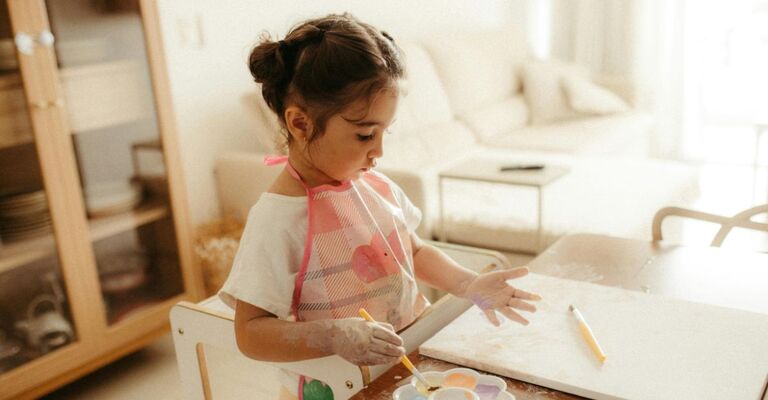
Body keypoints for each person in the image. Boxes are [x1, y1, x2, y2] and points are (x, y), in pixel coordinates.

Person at [218, 13, 541, 400]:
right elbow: (250, 333)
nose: (380, 151)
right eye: (366, 134)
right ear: (301, 124)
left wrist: (467, 284)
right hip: (336, 387)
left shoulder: (374, 186)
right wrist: (331, 334)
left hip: (404, 370)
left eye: (385, 132)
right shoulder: (278, 218)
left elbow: (413, 251)